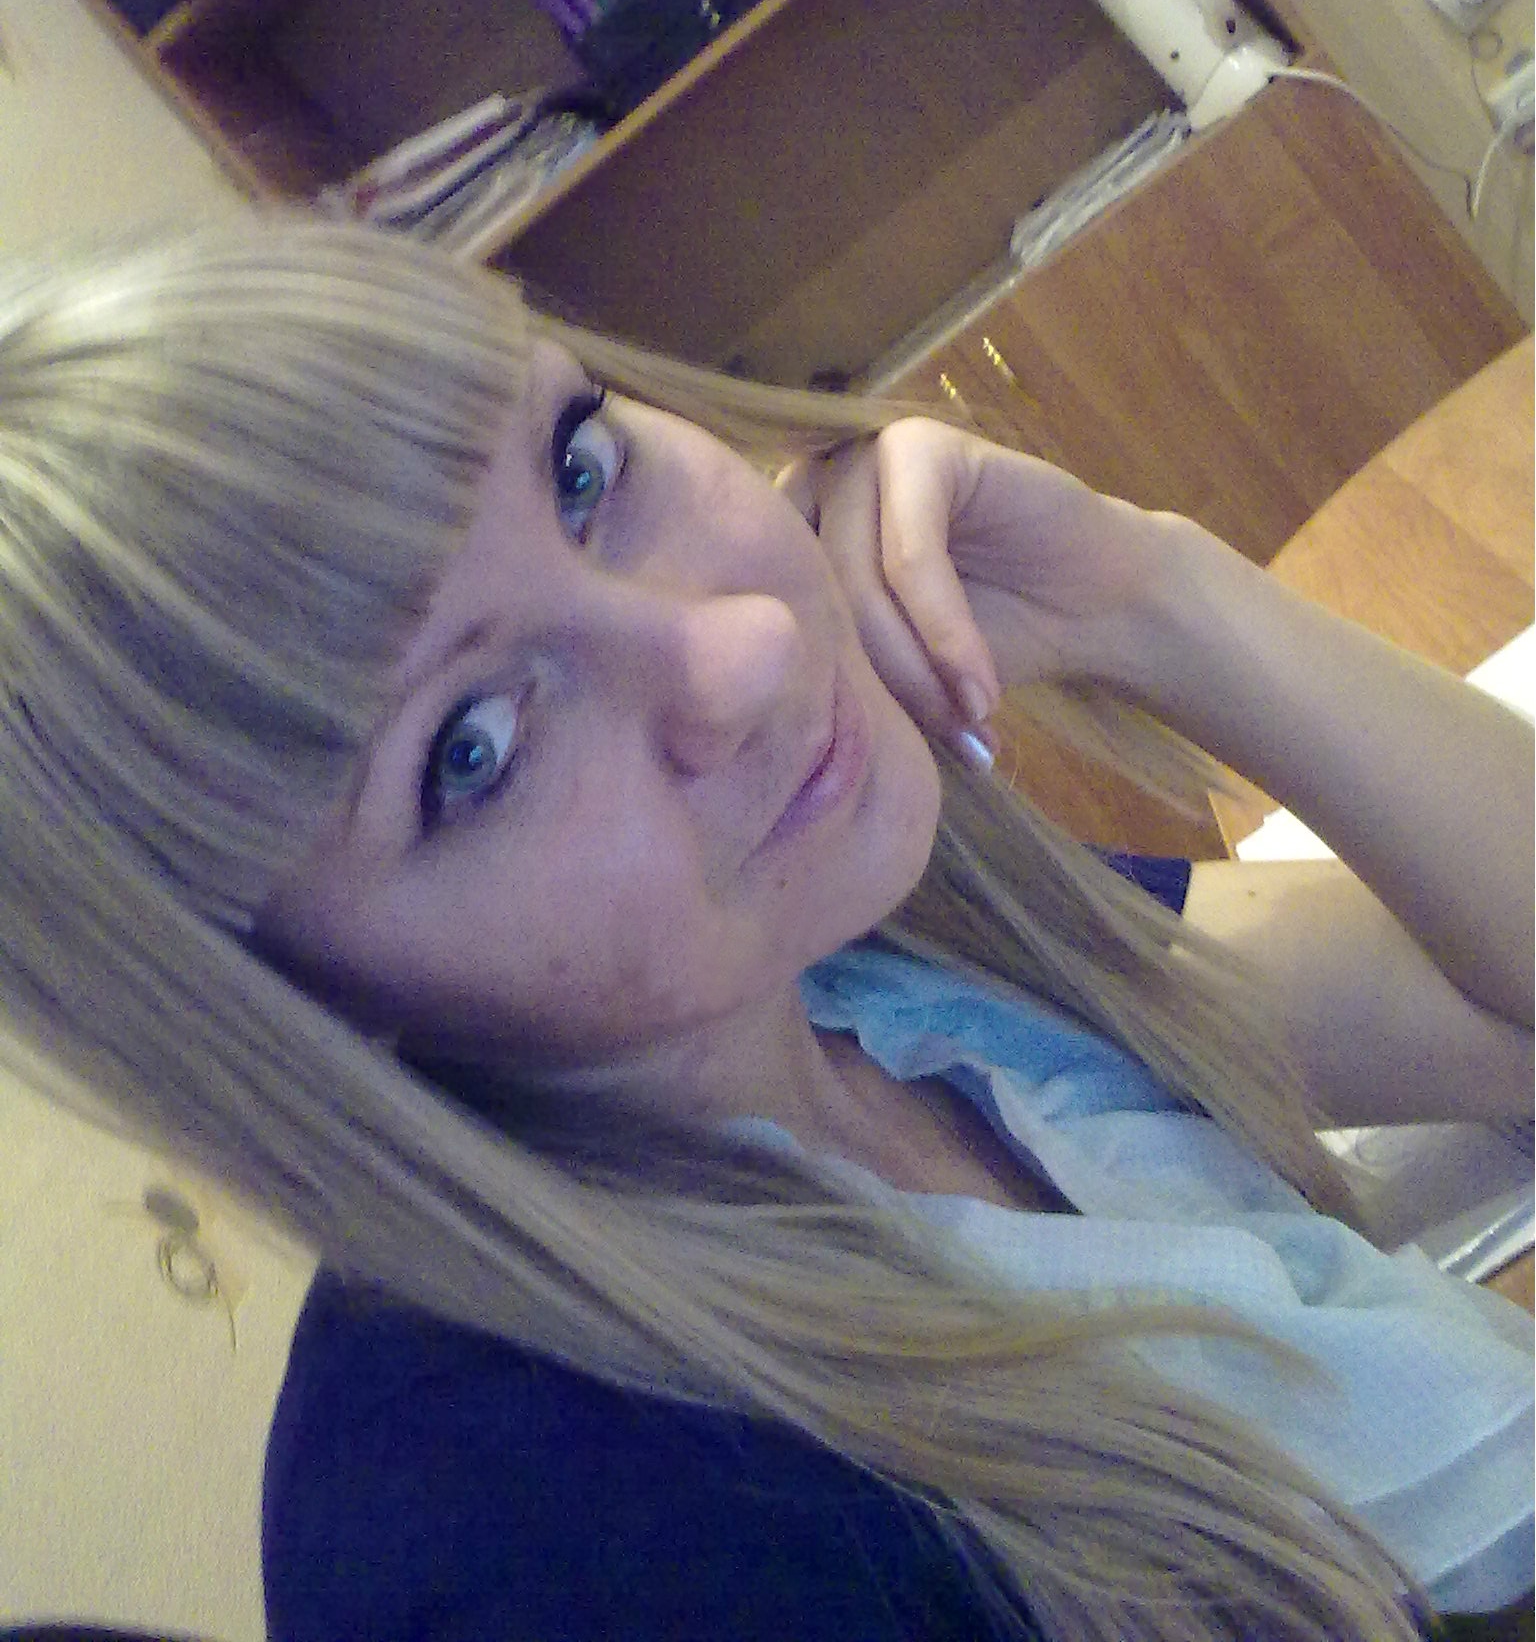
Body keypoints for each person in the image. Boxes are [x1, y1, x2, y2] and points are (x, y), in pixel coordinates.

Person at [0, 219, 1529, 1642]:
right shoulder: (552, 1546)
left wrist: (1147, 592)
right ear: (286, 1001)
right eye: (475, 746)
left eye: (583, 469)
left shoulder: (857, 968)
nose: (738, 652)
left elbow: (1501, 1009)